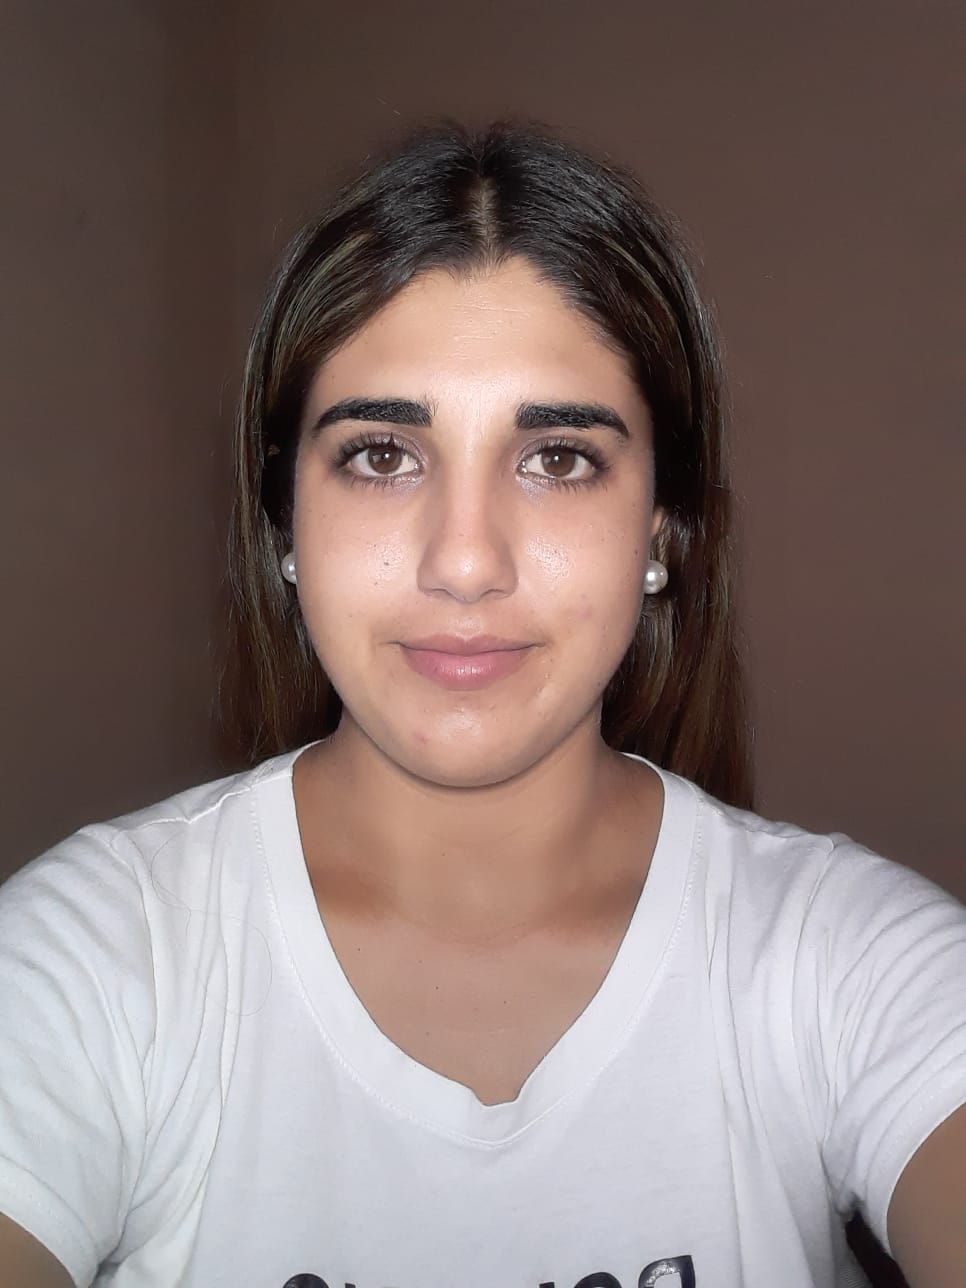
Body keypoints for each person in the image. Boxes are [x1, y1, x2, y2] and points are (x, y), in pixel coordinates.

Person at [0, 122, 963, 1288]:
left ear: (663, 531)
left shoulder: (850, 964)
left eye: (557, 458)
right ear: (284, 520)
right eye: (381, 455)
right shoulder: (97, 962)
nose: (464, 562)